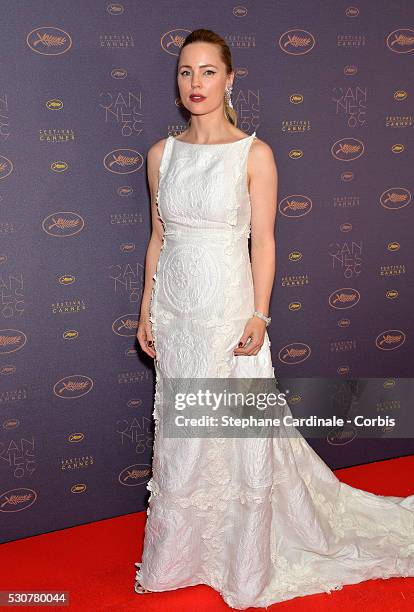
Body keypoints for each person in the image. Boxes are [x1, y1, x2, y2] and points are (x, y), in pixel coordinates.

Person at [134, 28, 414, 610]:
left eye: (209, 71)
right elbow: (158, 238)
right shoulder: (162, 156)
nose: (196, 83)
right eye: (186, 72)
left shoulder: (254, 153)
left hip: (227, 308)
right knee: (183, 426)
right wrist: (146, 309)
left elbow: (264, 241)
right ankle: (183, 555)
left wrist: (260, 312)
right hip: (177, 312)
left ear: (230, 79)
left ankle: (243, 555)